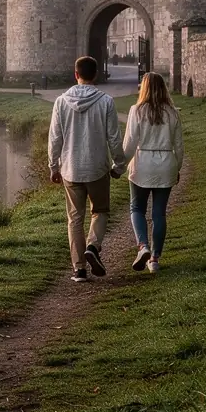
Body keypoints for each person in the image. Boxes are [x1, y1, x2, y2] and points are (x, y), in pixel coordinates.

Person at [48, 55, 127, 282]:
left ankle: (79, 269)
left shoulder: (61, 102)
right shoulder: (106, 102)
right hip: (98, 168)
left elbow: (55, 138)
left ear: (76, 74)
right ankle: (93, 246)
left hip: (70, 168)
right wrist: (119, 165)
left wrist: (53, 166)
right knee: (100, 211)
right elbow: (114, 137)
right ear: (96, 75)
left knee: (74, 218)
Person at [122, 72, 184, 274]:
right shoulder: (173, 112)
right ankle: (155, 259)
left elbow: (130, 143)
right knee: (159, 213)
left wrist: (120, 164)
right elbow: (179, 146)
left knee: (137, 208)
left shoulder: (137, 110)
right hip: (166, 163)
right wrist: (178, 168)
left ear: (144, 88)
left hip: (142, 163)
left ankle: (143, 246)